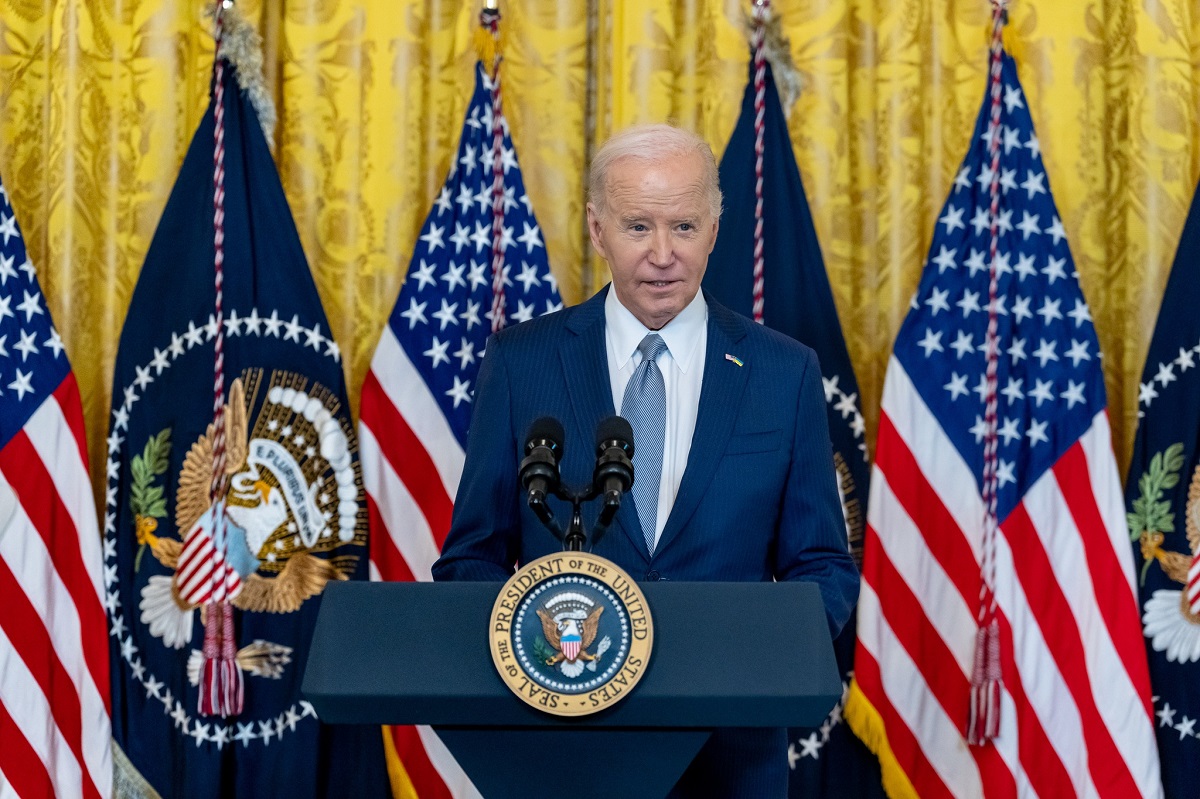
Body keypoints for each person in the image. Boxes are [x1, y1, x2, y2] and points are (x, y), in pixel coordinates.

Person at [432, 123, 859, 796]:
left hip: (733, 753)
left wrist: (755, 655)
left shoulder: (784, 372)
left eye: (684, 227)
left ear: (715, 230)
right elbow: (471, 557)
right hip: (567, 747)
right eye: (638, 227)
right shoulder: (523, 362)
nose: (663, 254)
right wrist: (539, 661)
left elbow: (823, 566)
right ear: (598, 230)